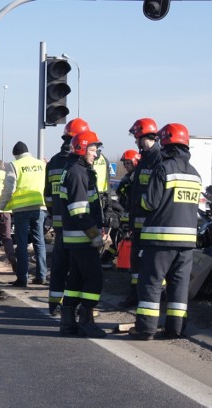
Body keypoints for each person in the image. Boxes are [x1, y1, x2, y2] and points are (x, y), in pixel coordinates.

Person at [129, 123, 201, 340]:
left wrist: (137, 198)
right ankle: (175, 329)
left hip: (160, 239)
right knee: (179, 287)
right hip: (187, 243)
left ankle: (146, 329)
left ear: (167, 143)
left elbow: (149, 203)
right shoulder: (195, 174)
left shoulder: (163, 168)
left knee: (150, 283)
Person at [59, 130, 106, 338]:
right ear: (82, 148)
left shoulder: (75, 169)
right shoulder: (78, 173)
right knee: (94, 278)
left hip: (74, 237)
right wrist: (95, 235)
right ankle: (86, 321)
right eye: (93, 150)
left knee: (75, 281)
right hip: (82, 237)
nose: (95, 155)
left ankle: (68, 323)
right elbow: (79, 211)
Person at [45, 118, 89, 316]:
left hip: (59, 222)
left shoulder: (53, 162)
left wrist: (55, 214)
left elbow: (47, 195)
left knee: (59, 266)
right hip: (78, 224)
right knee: (78, 267)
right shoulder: (79, 164)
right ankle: (76, 306)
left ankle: (54, 304)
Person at [0, 141, 47, 287]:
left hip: (22, 210)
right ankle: (41, 276)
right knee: (39, 242)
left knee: (22, 245)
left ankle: (22, 278)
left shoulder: (14, 165)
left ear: (16, 155)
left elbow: (9, 189)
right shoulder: (41, 164)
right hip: (40, 207)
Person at [120, 117, 162, 309]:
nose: (135, 142)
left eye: (136, 138)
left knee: (152, 265)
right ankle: (134, 295)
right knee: (135, 263)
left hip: (151, 223)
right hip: (137, 223)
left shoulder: (158, 159)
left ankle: (157, 297)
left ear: (143, 136)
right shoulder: (144, 159)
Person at [102, 149, 141, 269]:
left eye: (127, 163)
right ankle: (108, 258)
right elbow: (121, 192)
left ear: (135, 162)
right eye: (124, 163)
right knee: (115, 234)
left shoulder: (138, 176)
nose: (125, 166)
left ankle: (125, 261)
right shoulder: (128, 177)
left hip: (134, 212)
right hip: (124, 211)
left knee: (128, 238)